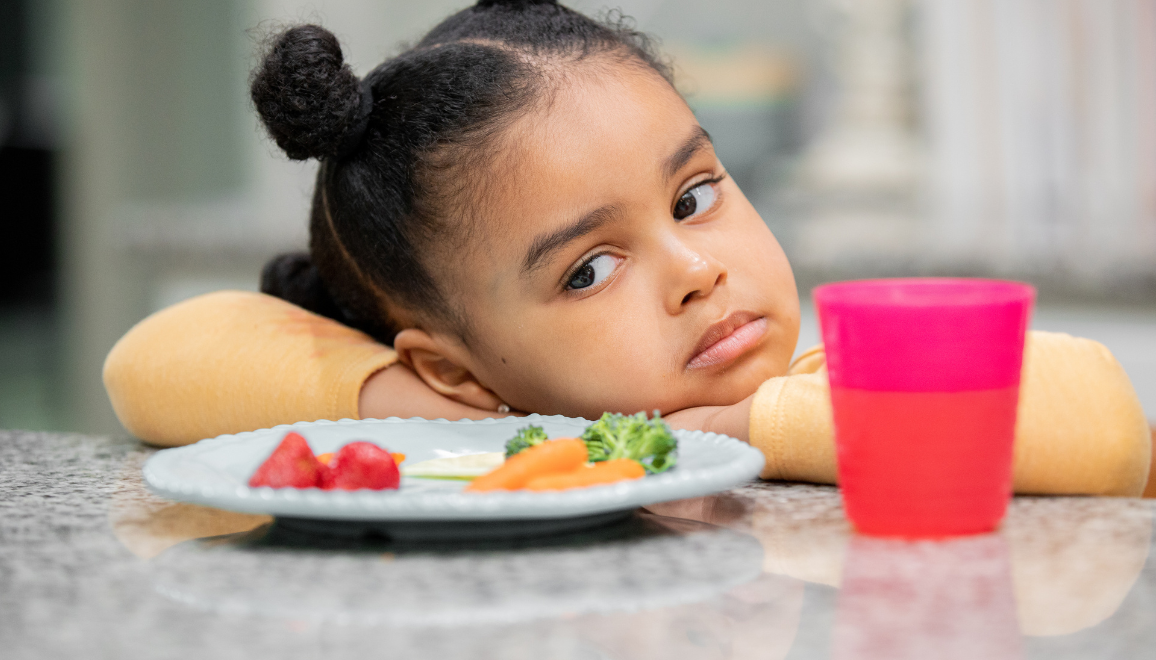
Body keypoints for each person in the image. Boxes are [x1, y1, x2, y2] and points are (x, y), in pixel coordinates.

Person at [103, 0, 1153, 496]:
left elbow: (1102, 425)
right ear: (453, 364)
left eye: (694, 196)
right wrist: (474, 416)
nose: (696, 271)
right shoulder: (517, 437)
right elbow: (150, 360)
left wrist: (739, 426)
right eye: (589, 270)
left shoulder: (817, 387)